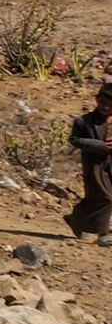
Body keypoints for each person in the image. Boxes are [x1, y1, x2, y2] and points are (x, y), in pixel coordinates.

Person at [62, 81, 112, 246]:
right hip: (95, 163)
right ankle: (103, 233)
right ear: (97, 99)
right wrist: (99, 145)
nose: (105, 108)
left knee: (97, 197)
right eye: (103, 103)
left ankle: (77, 217)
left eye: (110, 105)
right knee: (106, 197)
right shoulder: (84, 121)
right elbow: (74, 140)